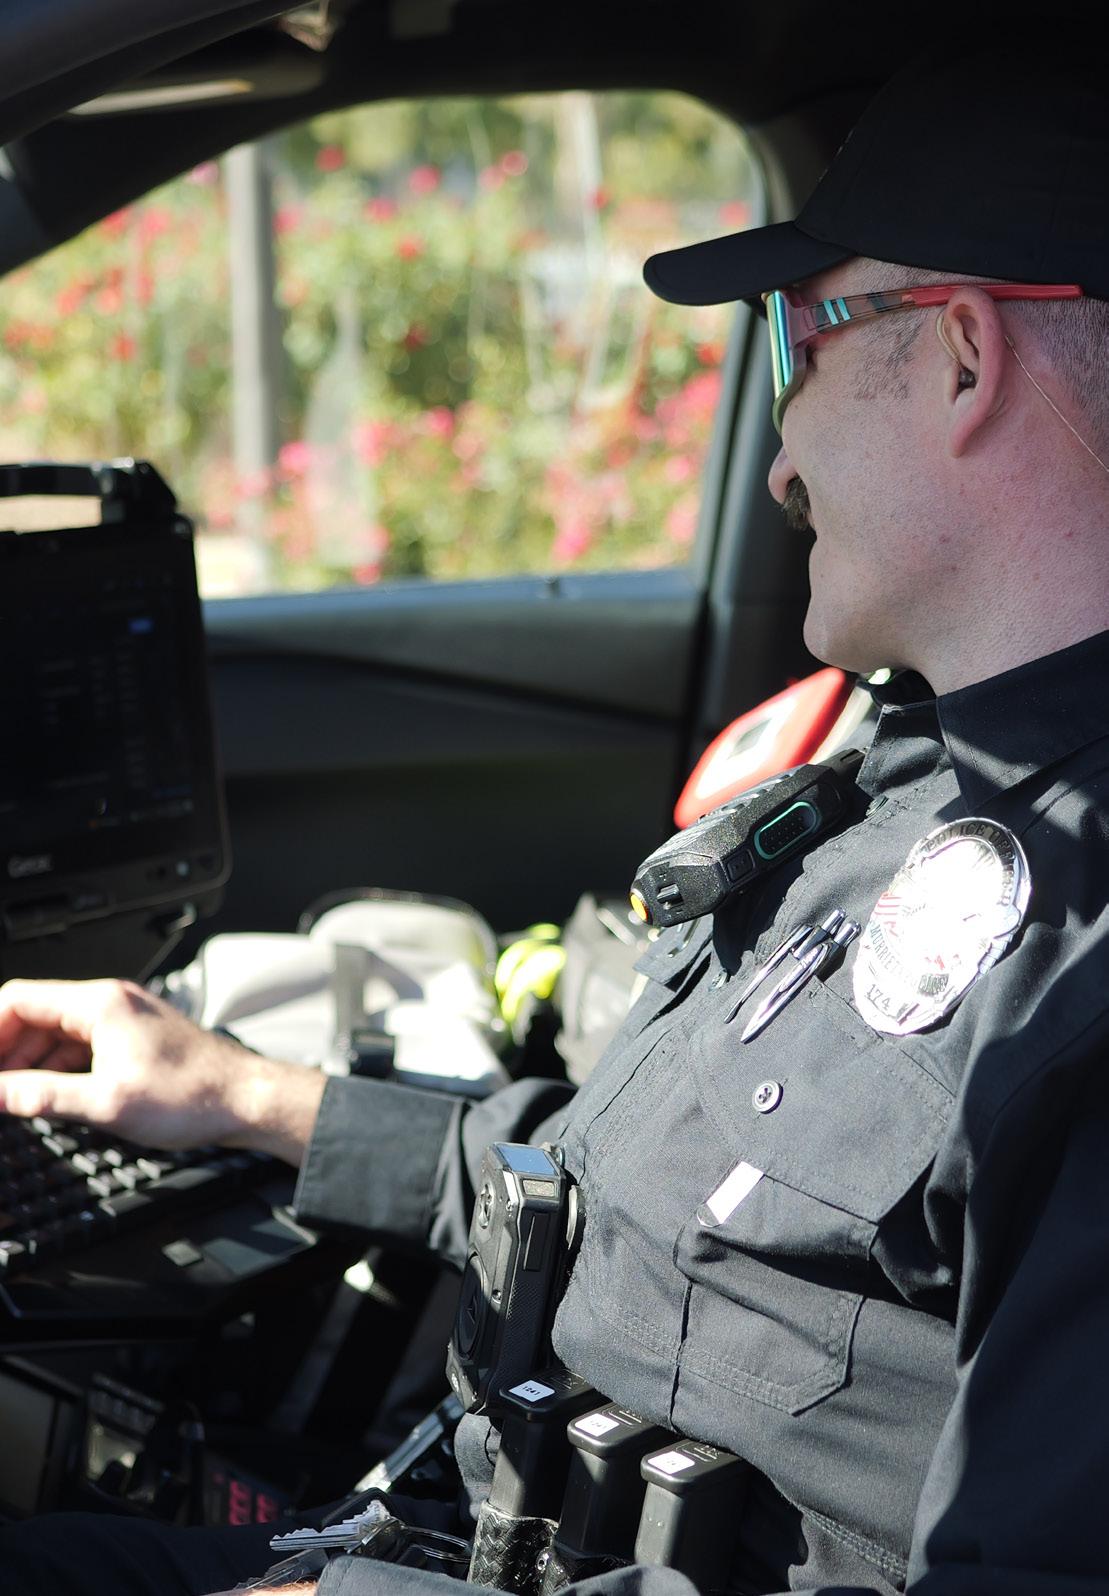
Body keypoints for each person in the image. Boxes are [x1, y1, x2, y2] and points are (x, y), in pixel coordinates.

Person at [3, 37, 1109, 1596]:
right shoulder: (907, 775)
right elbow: (651, 1194)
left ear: (962, 361)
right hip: (435, 1519)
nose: (778, 463)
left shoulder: (1074, 979)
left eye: (797, 341)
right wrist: (248, 1097)